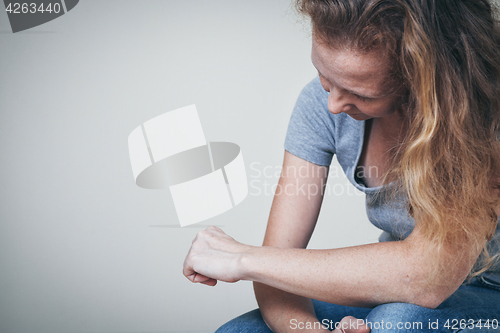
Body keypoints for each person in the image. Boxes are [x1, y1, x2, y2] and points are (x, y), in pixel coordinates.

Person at [183, 0, 500, 332]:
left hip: (481, 294)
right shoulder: (321, 104)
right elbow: (277, 269)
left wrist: (244, 259)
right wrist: (307, 330)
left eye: (359, 93)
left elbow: (427, 278)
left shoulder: (484, 114)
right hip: (397, 288)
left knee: (394, 324)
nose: (333, 104)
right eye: (323, 75)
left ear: (420, 75)